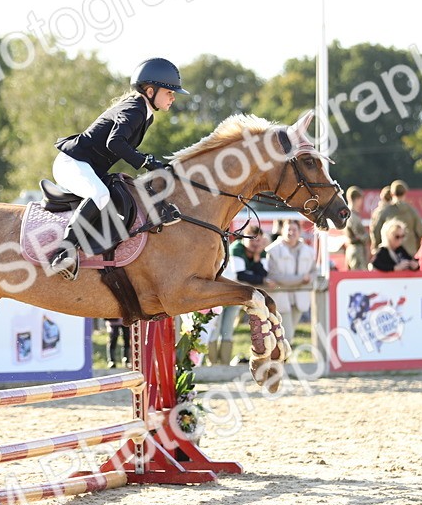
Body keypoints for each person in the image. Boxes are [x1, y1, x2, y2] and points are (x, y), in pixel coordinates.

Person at [47, 57, 187, 280]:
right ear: (150, 91)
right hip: (72, 163)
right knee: (100, 194)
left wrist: (148, 162)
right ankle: (64, 253)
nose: (173, 97)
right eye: (169, 92)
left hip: (87, 166)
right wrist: (144, 161)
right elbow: (115, 143)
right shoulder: (135, 110)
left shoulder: (144, 113)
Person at [210, 226, 270, 364]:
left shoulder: (260, 252)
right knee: (215, 327)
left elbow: (263, 273)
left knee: (228, 327)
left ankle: (224, 362)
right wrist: (259, 277)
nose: (255, 244)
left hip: (236, 295)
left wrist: (255, 260)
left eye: (258, 240)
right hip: (221, 292)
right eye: (252, 240)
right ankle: (212, 363)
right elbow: (241, 274)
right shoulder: (236, 249)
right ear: (244, 239)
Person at [264, 219, 316, 341]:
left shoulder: (308, 251)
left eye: (295, 230)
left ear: (300, 231)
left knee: (286, 335)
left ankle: (282, 358)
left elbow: (314, 271)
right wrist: (302, 279)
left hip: (300, 298)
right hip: (280, 298)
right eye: (289, 229)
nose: (291, 233)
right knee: (286, 335)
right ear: (282, 231)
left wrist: (309, 278)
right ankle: (281, 358)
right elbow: (275, 276)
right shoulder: (273, 250)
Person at [371, 180, 422, 256]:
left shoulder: (385, 211)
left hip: (390, 254)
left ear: (392, 193)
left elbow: (376, 231)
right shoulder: (412, 211)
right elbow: (420, 232)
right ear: (405, 193)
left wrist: (377, 247)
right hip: (410, 252)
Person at [343, 186, 370, 271]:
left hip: (353, 250)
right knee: (360, 277)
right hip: (357, 251)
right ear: (357, 199)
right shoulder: (353, 217)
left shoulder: (348, 215)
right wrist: (369, 237)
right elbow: (360, 236)